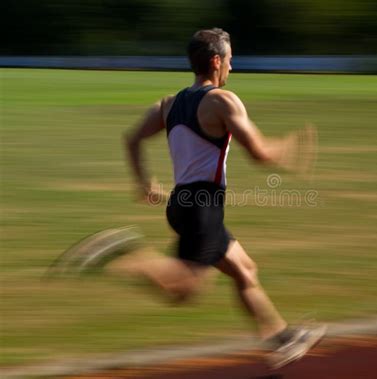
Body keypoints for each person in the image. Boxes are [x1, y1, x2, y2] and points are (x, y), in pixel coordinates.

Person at [52, 28, 325, 369]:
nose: (231, 67)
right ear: (215, 61)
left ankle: (280, 337)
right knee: (183, 290)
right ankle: (123, 252)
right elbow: (259, 154)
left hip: (182, 203)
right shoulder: (223, 101)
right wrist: (290, 148)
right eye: (229, 60)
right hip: (203, 208)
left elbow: (132, 139)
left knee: (245, 270)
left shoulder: (169, 104)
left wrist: (144, 183)